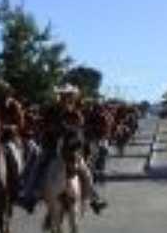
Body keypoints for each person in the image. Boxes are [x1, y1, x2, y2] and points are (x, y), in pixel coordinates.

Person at [20, 84, 108, 215]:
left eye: (69, 96)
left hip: (70, 148)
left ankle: (94, 199)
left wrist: (74, 136)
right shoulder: (50, 111)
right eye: (64, 95)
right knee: (37, 165)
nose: (66, 98)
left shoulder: (75, 113)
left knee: (85, 171)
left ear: (72, 97)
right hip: (51, 146)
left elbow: (79, 129)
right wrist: (52, 129)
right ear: (59, 96)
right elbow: (43, 125)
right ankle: (29, 196)